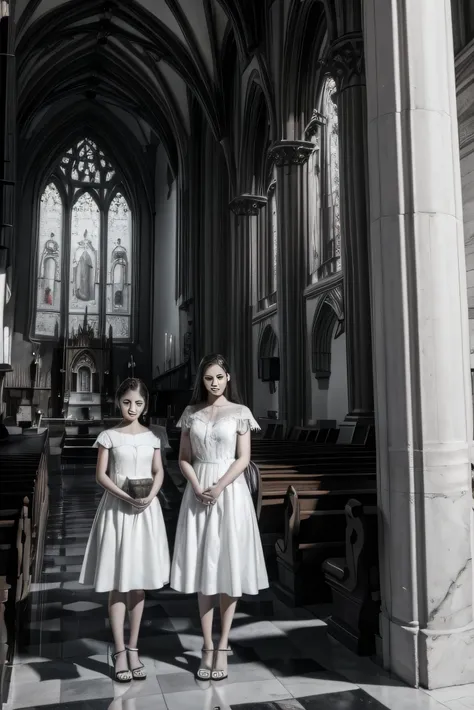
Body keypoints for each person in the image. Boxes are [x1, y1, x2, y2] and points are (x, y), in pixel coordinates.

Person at [170, 354, 268, 682]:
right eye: (208, 377)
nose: (214, 382)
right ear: (201, 380)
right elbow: (183, 457)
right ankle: (207, 645)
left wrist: (220, 486)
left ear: (228, 377)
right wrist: (197, 485)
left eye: (219, 377)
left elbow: (244, 459)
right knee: (204, 567)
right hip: (197, 491)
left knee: (228, 564)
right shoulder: (190, 413)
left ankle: (224, 644)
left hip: (230, 491)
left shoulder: (240, 413)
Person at [79, 378, 170, 683]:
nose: (133, 408)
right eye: (128, 402)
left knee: (140, 583)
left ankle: (134, 648)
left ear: (146, 405)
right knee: (119, 580)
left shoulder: (153, 437)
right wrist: (126, 496)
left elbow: (158, 472)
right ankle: (119, 651)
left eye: (139, 403)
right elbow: (101, 475)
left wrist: (151, 495)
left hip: (145, 512)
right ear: (118, 402)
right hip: (118, 509)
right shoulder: (109, 436)